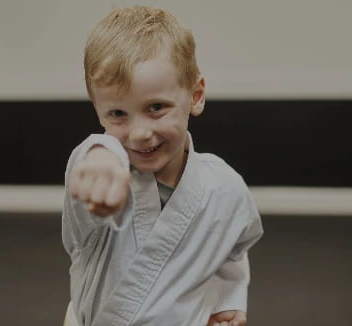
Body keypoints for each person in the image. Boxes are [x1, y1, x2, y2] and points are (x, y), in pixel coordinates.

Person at [62, 6, 263, 326]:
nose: (139, 133)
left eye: (156, 108)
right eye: (117, 114)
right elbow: (92, 158)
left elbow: (232, 250)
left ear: (195, 95)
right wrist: (101, 155)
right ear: (98, 111)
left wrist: (226, 301)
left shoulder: (224, 187)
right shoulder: (99, 175)